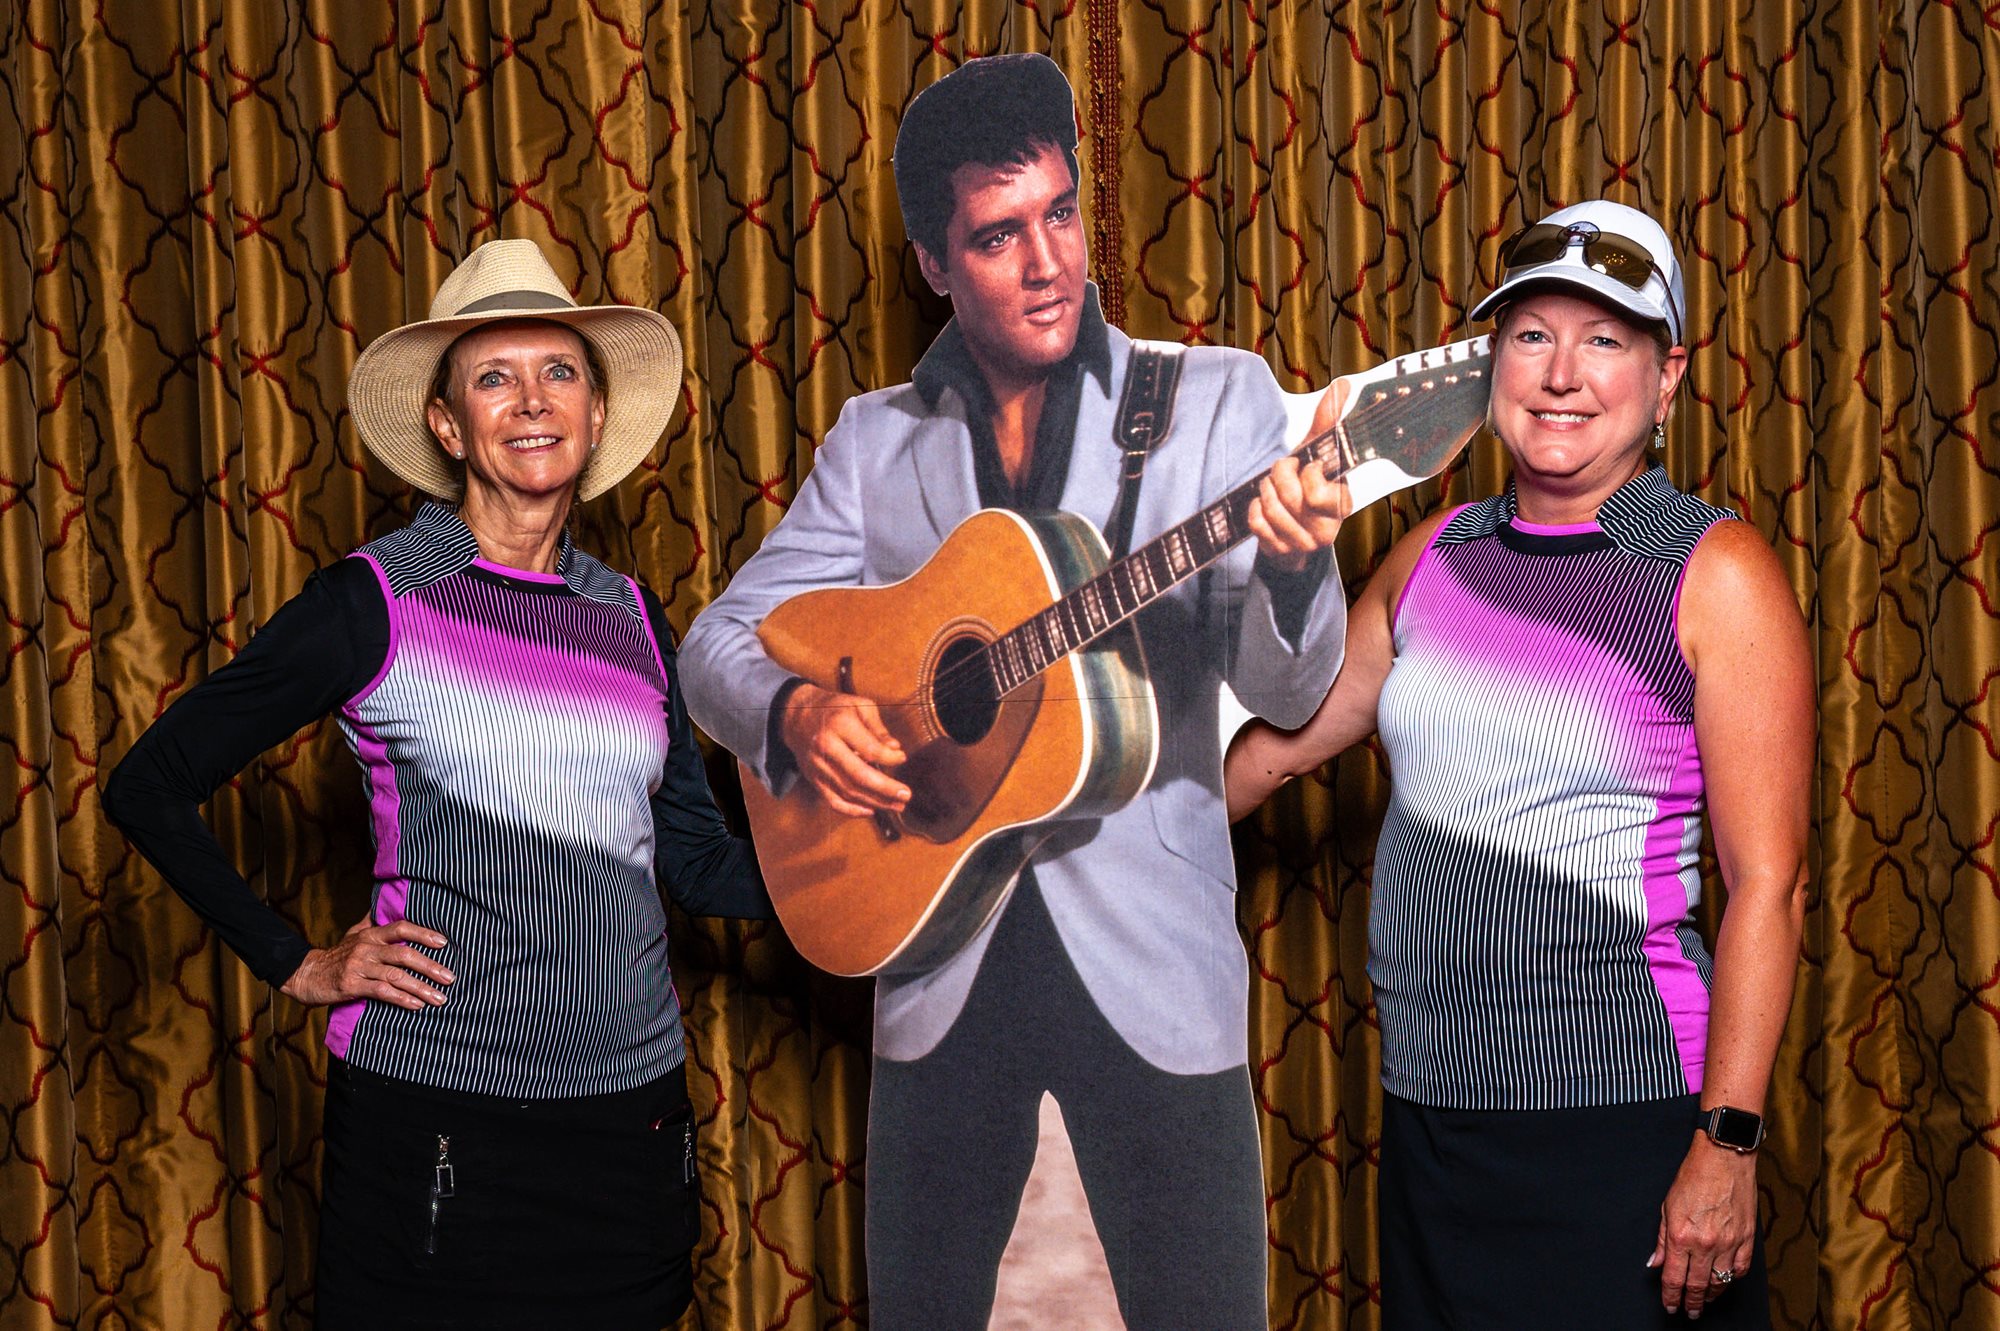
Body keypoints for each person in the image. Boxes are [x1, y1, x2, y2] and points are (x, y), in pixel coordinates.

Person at [677, 53, 1351, 1330]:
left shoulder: (1213, 400)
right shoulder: (875, 440)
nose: (1047, 264)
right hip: (933, 957)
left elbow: (1290, 682)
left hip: (1151, 964)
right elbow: (715, 643)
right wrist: (794, 712)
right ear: (935, 263)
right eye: (997, 236)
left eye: (1061, 215)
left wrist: (1293, 563)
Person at [103, 239, 770, 1331]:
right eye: (494, 377)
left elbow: (694, 863)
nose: (532, 400)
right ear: (450, 426)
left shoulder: (634, 616)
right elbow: (150, 782)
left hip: (631, 1124)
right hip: (441, 1123)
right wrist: (299, 962)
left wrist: (888, 871)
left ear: (597, 413)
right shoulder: (375, 598)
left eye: (559, 372)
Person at [1226, 200, 1812, 1328]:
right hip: (1433, 1122)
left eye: (1604, 340)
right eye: (1531, 335)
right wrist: (1068, 805)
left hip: (1625, 1123)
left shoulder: (1713, 569)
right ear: (1493, 361)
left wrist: (1726, 1143)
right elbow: (1271, 757)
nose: (1560, 374)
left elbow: (1768, 886)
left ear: (1666, 377)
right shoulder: (1432, 556)